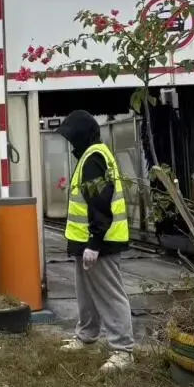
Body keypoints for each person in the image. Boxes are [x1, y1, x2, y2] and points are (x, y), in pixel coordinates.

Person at [56, 109, 134, 372]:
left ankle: (123, 350)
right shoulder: (92, 156)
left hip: (100, 242)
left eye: (71, 137)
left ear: (82, 136)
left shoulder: (93, 158)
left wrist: (95, 242)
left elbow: (100, 201)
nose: (70, 143)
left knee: (110, 296)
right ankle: (87, 337)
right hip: (87, 242)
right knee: (86, 294)